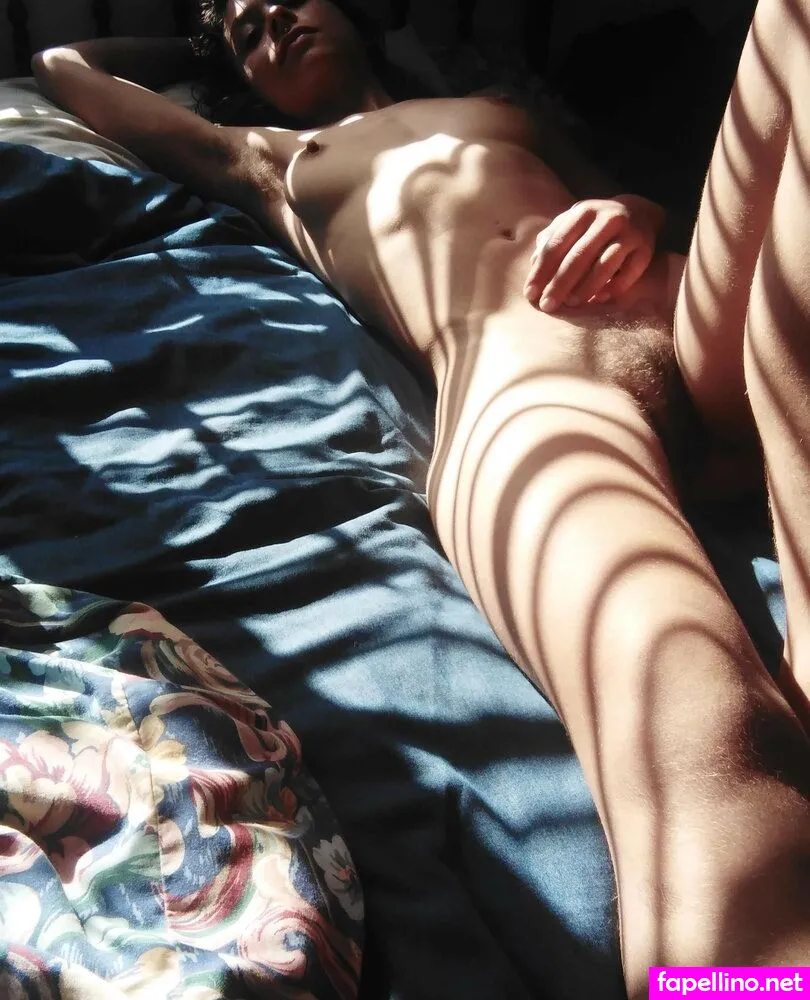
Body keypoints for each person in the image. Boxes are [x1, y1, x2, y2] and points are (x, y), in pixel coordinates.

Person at [32, 0, 810, 992]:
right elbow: (63, 66)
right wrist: (193, 45)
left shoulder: (501, 106)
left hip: (698, 321)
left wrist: (634, 213)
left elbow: (628, 194)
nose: (265, 14)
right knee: (701, 733)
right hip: (534, 390)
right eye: (241, 28)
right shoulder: (271, 159)